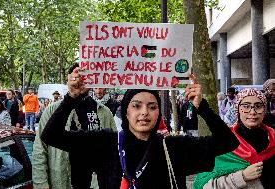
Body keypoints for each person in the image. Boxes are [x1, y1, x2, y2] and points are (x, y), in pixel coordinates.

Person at [40, 72, 239, 189]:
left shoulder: (174, 146)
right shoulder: (105, 142)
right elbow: (51, 136)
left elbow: (228, 142)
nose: (144, 113)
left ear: (159, 113)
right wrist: (71, 98)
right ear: (125, 112)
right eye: (136, 106)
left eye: (152, 107)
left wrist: (201, 106)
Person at [32, 65, 116, 189]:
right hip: (61, 182)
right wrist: (41, 183)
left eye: (86, 76)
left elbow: (114, 152)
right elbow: (40, 149)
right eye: (77, 75)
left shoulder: (104, 112)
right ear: (69, 78)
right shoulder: (52, 111)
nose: (81, 80)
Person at [193, 88, 275, 189]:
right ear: (238, 109)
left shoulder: (273, 139)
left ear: (264, 110)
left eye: (258, 106)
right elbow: (204, 185)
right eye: (246, 106)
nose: (252, 112)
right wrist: (242, 177)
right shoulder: (223, 141)